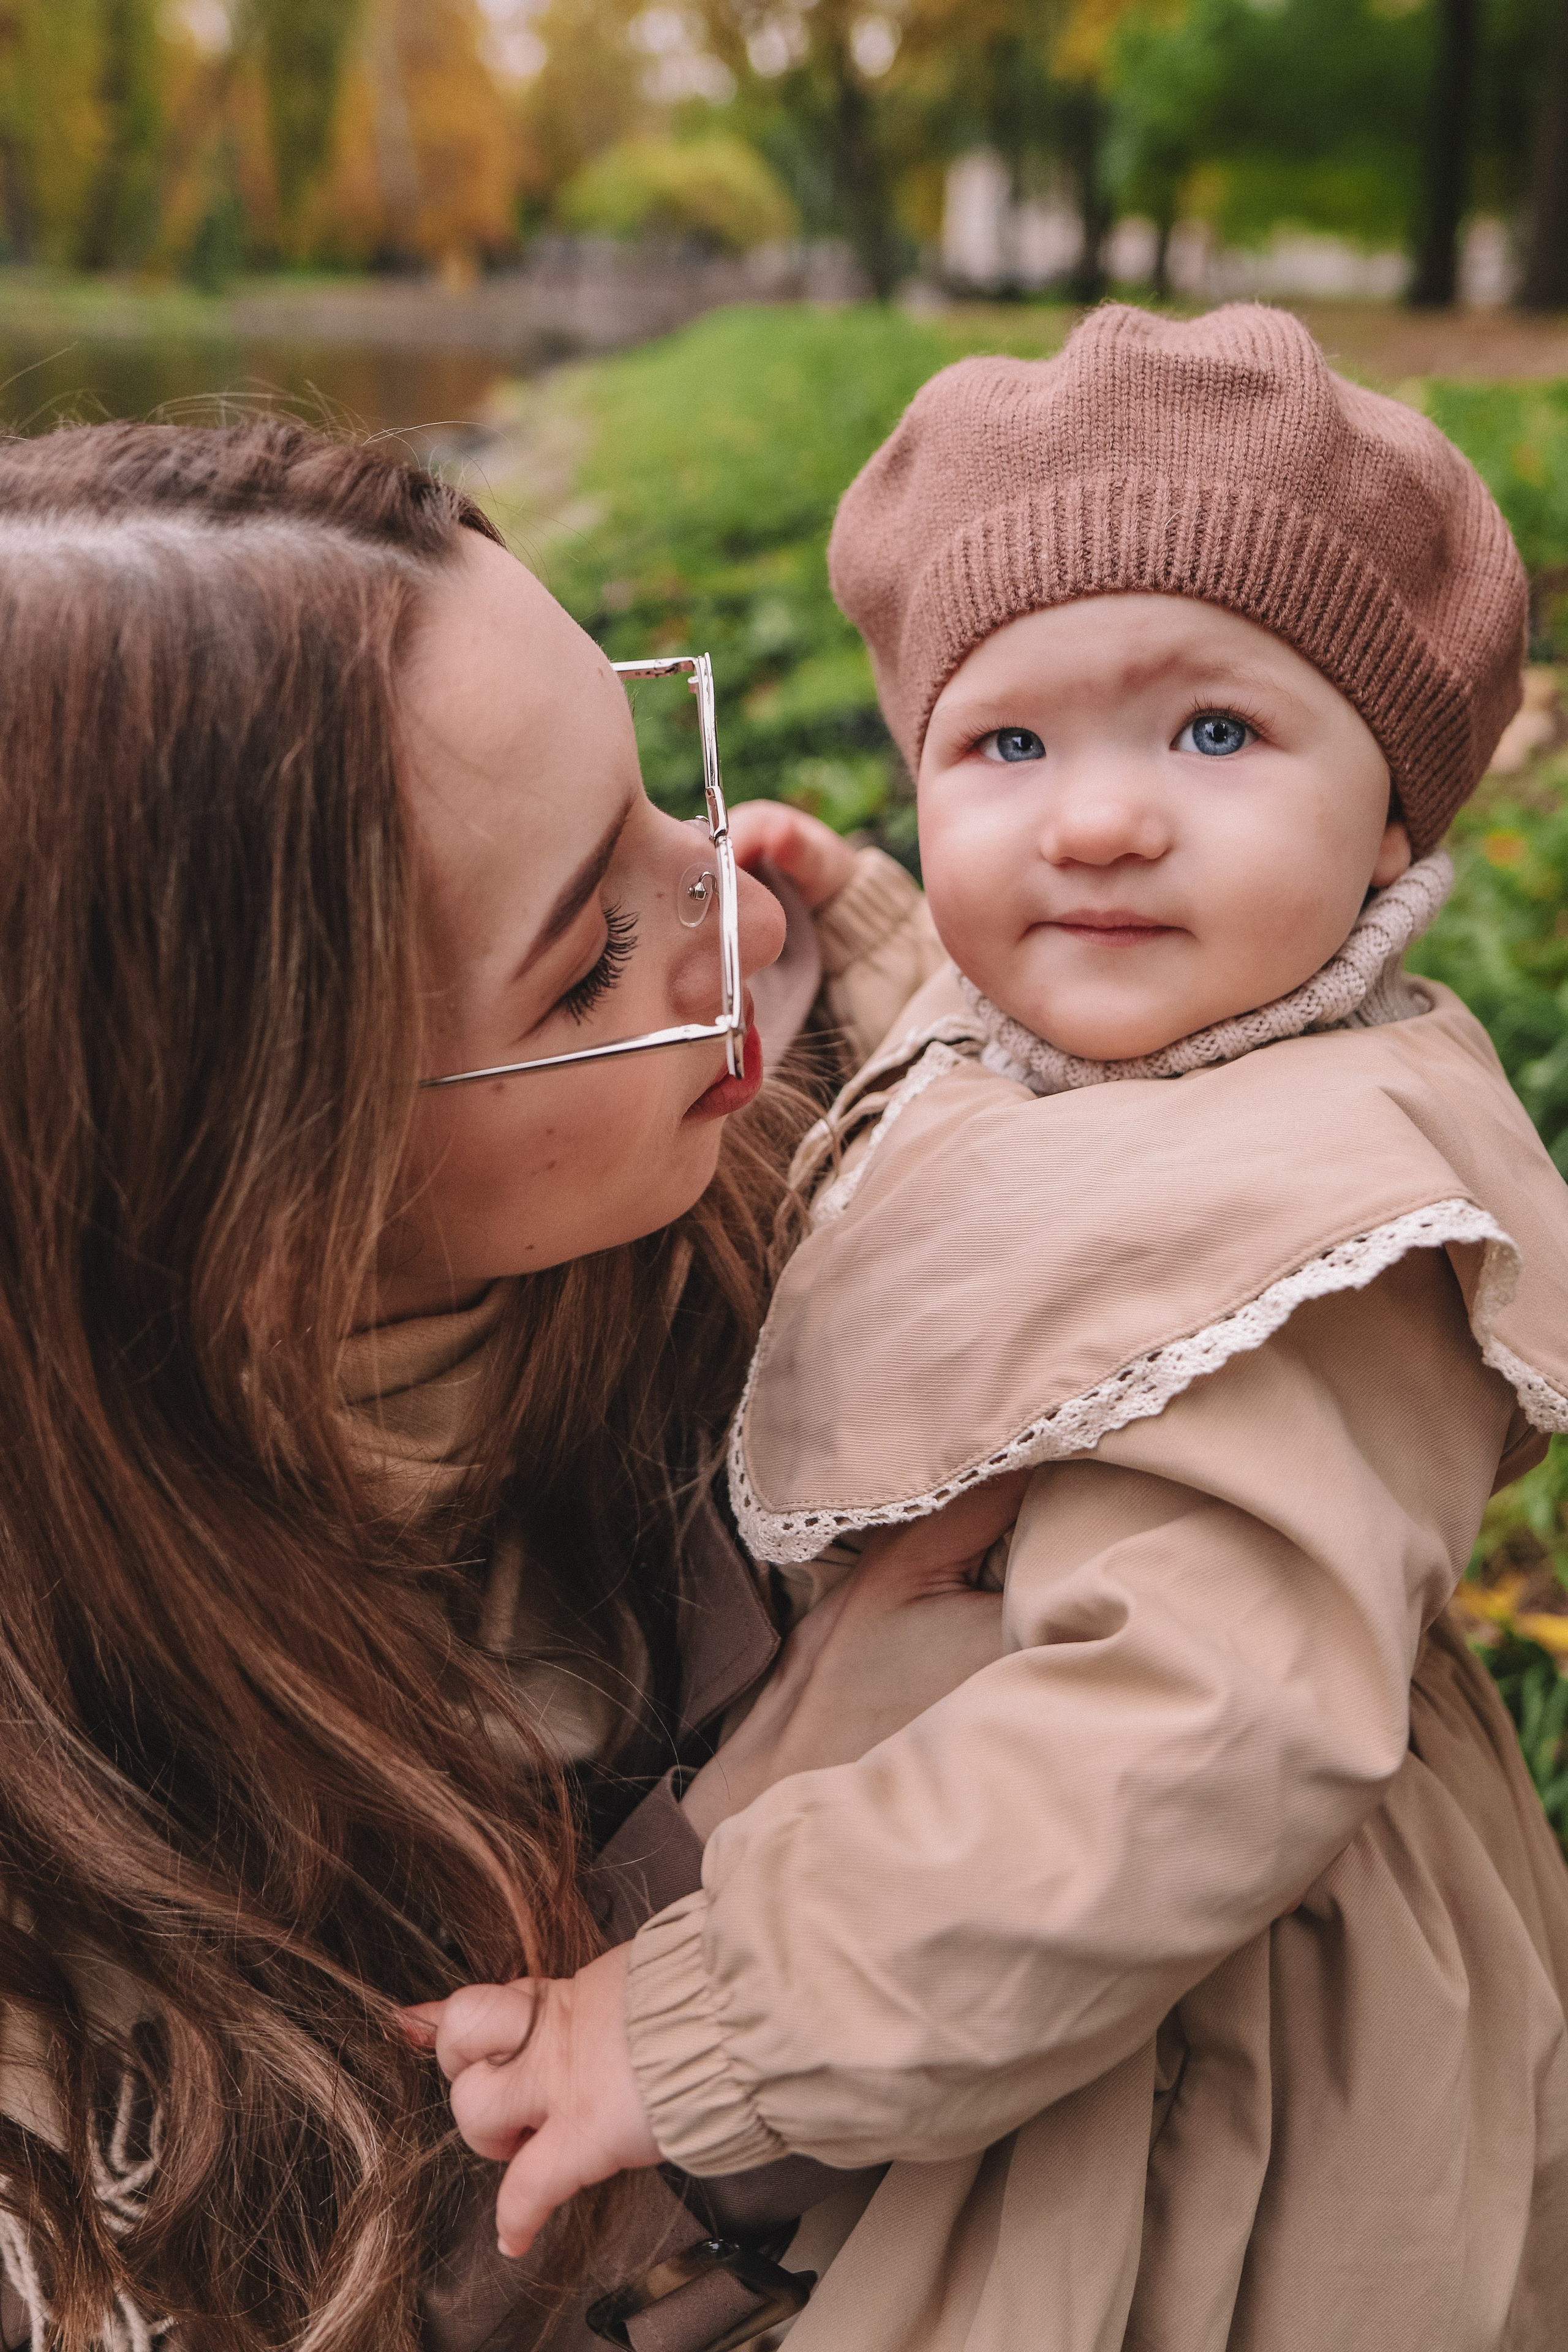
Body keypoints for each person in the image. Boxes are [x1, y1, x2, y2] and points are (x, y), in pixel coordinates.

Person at [424, 306, 1568, 2350]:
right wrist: (880, 934)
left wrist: (699, 2024)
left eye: (1213, 734)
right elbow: (1019, 1112)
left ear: (1396, 814)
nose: (1097, 824)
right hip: (1006, 1942)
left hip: (1181, 2012)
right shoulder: (1164, 1014)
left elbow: (1184, 1748)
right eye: (1008, 749)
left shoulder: (1316, 1230)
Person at [0, 413, 976, 2352]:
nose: (748, 914)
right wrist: (794, 1823)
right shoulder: (70, 1826)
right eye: (592, 950)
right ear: (244, 1176)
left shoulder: (860, 1155)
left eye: (656, 787)